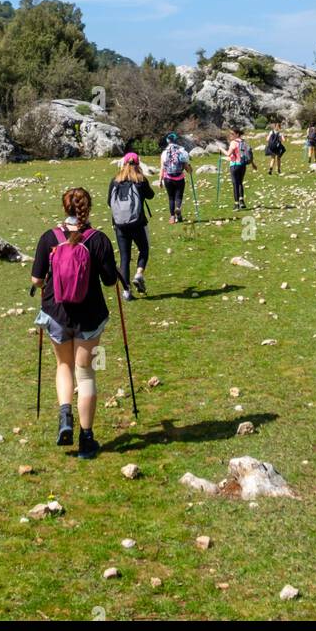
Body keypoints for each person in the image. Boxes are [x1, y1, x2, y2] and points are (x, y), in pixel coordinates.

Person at [30, 186, 118, 460]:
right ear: (88, 209)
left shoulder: (49, 238)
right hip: (89, 315)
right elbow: (110, 281)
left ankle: (65, 415)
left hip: (57, 313)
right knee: (86, 372)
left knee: (63, 365)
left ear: (64, 208)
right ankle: (87, 438)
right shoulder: (98, 239)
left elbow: (36, 280)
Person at [108, 152, 155, 300]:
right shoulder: (140, 180)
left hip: (120, 225)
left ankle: (126, 291)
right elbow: (151, 195)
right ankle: (139, 274)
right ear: (138, 163)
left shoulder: (115, 180)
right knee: (144, 249)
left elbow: (109, 202)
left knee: (125, 257)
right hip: (138, 223)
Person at [159, 132, 190, 223]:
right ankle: (178, 208)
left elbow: (162, 168)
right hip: (179, 178)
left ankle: (172, 217)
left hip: (168, 178)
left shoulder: (164, 153)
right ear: (176, 140)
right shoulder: (182, 151)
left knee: (171, 197)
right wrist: (189, 169)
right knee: (179, 196)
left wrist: (160, 180)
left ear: (168, 141)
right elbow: (186, 167)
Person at [226, 128, 255, 208]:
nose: (230, 135)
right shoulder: (244, 142)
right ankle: (242, 201)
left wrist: (221, 149)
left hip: (234, 165)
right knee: (240, 183)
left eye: (232, 134)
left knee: (235, 184)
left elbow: (228, 154)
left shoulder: (233, 143)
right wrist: (253, 164)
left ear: (237, 134)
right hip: (243, 165)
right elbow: (248, 154)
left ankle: (236, 204)